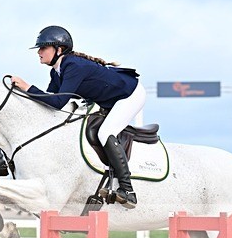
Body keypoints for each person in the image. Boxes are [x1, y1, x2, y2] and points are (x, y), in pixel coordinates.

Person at [11, 25, 145, 208]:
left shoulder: (73, 66)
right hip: (108, 99)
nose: (39, 52)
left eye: (43, 48)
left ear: (59, 49)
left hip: (129, 95)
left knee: (105, 132)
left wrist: (27, 87)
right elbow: (49, 104)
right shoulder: (56, 71)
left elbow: (58, 102)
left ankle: (127, 190)